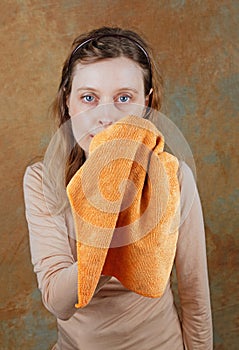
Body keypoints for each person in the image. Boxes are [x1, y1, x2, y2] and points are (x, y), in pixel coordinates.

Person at [23, 26, 213, 349]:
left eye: (124, 98)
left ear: (147, 105)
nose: (106, 117)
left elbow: (196, 302)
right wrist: (110, 234)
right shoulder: (43, 181)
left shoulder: (175, 178)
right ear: (68, 101)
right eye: (88, 98)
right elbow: (57, 300)